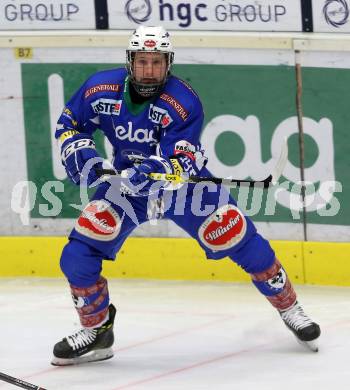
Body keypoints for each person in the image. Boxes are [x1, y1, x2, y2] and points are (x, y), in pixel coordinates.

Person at [51, 26, 320, 366]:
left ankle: (289, 306)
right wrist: (82, 154)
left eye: (158, 62)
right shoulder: (100, 88)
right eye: (143, 61)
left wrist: (159, 167)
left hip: (184, 188)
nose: (150, 69)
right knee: (78, 254)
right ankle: (97, 331)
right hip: (126, 189)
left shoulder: (183, 100)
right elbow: (70, 123)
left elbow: (182, 156)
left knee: (237, 235)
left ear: (169, 63)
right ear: (130, 60)